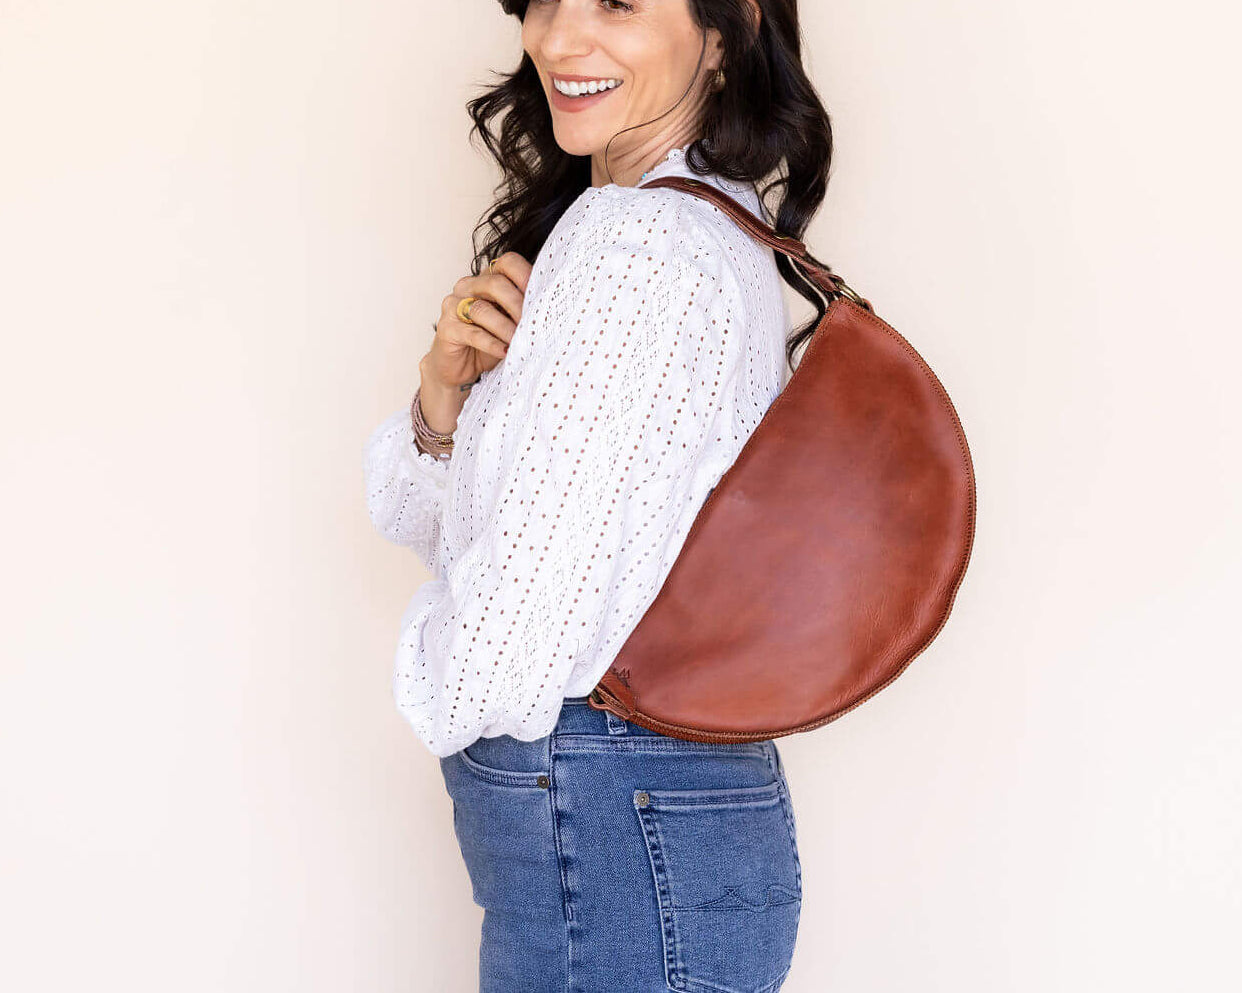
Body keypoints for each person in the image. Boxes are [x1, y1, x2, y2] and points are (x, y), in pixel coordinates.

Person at [363, 1, 837, 989]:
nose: (560, 37)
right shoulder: (664, 212)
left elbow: (506, 634)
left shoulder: (642, 241)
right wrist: (446, 404)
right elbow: (471, 534)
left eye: (618, 1)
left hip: (618, 812)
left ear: (728, 28)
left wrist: (445, 686)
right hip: (647, 817)